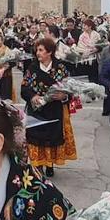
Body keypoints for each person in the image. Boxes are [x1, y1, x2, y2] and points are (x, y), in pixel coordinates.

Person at [22, 37, 78, 176]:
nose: (38, 53)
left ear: (50, 52)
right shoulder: (32, 68)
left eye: (41, 50)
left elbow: (70, 89)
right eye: (37, 50)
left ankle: (50, 163)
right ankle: (39, 164)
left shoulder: (60, 68)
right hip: (37, 109)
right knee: (36, 137)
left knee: (52, 137)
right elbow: (24, 88)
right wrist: (33, 96)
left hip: (55, 109)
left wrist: (64, 96)